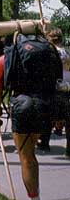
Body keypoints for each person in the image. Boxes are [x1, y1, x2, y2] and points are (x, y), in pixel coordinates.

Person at [0, 33, 63, 200]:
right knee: (31, 157)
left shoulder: (5, 58)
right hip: (44, 106)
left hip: (23, 107)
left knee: (26, 158)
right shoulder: (46, 52)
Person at [37, 28, 70, 156]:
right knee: (68, 120)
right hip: (67, 88)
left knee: (47, 117)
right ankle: (69, 149)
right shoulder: (66, 53)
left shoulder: (48, 52)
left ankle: (44, 142)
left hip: (53, 89)